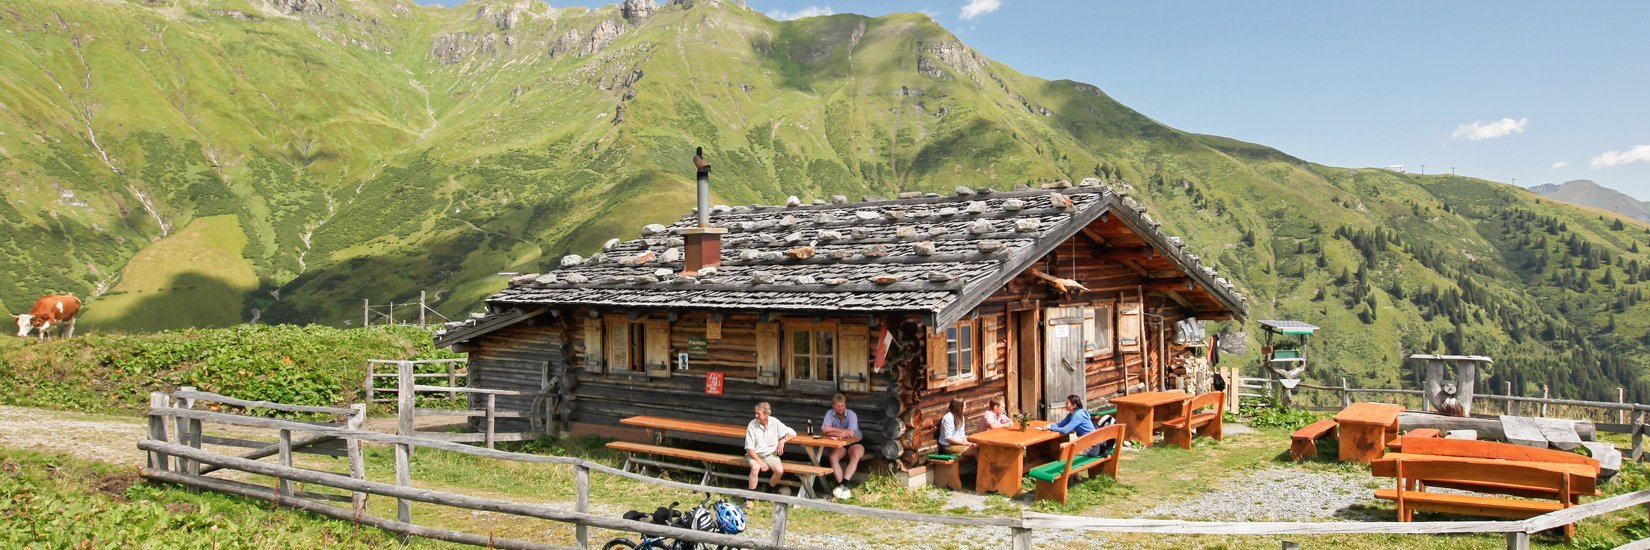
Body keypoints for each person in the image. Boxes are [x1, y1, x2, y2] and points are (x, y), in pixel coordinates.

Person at [744, 401, 796, 495]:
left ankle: (769, 489)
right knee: (756, 467)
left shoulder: (774, 422)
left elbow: (793, 433)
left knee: (779, 470)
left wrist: (782, 441)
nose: (756, 416)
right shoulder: (752, 424)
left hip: (769, 455)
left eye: (758, 414)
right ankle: (750, 497)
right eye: (755, 413)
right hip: (754, 455)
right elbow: (749, 449)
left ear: (767, 414)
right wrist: (760, 462)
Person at [821, 393, 865, 498]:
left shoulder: (851, 414)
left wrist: (832, 430)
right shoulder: (829, 414)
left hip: (855, 442)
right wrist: (841, 432)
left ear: (845, 405)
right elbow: (824, 430)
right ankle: (842, 486)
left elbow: (851, 433)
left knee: (855, 455)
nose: (841, 408)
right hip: (840, 444)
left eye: (842, 405)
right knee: (833, 456)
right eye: (838, 406)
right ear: (833, 406)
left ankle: (842, 485)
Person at [1042, 394, 1112, 457]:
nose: (1065, 405)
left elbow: (1065, 431)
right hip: (1089, 442)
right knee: (1061, 447)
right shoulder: (1072, 414)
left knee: (1062, 447)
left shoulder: (1077, 416)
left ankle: (1068, 470)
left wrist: (1051, 429)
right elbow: (1061, 424)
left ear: (1074, 406)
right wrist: (1050, 426)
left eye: (1067, 403)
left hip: (1091, 447)